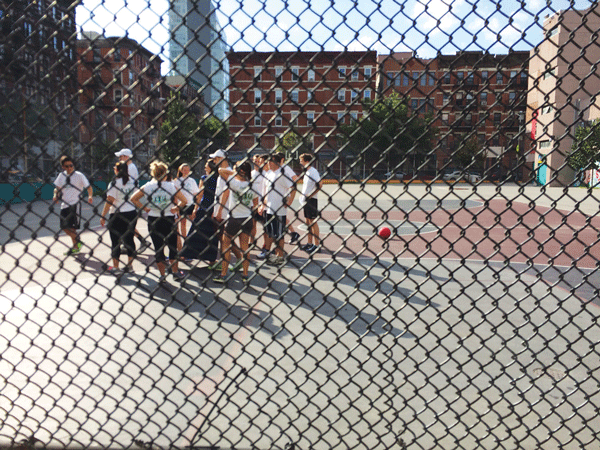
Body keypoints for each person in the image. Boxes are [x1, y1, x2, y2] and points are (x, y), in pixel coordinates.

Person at [130, 161, 187, 282]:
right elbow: (184, 201)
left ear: (153, 174)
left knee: (158, 248)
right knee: (172, 246)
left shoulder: (147, 186)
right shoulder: (171, 186)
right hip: (168, 218)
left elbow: (133, 198)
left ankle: (162, 275)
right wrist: (176, 208)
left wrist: (144, 208)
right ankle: (175, 272)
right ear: (166, 174)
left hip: (153, 219)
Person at [213, 160, 257, 283]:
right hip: (247, 218)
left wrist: (236, 171)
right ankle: (245, 275)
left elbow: (220, 170)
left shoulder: (233, 182)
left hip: (234, 218)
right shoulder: (252, 185)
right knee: (244, 247)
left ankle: (223, 274)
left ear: (240, 171)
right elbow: (255, 204)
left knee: (226, 244)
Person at [100, 161, 137, 274]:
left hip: (117, 214)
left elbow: (110, 200)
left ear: (116, 170)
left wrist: (103, 215)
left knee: (115, 241)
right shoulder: (132, 182)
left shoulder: (114, 183)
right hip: (131, 213)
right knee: (130, 240)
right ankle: (130, 266)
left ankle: (116, 267)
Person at [53, 155, 94, 255]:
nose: (69, 168)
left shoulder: (79, 175)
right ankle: (77, 243)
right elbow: (57, 188)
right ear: (63, 167)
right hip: (64, 205)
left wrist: (90, 196)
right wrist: (55, 195)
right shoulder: (61, 176)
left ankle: (75, 246)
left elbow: (89, 187)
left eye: (71, 165)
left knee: (72, 228)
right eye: (67, 166)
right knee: (64, 227)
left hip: (75, 204)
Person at [180, 160, 219, 263]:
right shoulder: (219, 178)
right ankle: (211, 259)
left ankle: (185, 254)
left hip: (204, 206)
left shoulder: (204, 178)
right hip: (214, 207)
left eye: (206, 166)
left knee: (195, 231)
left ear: (210, 167)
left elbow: (200, 195)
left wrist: (195, 209)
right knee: (211, 233)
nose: (205, 168)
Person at [260, 153, 295, 266]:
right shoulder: (270, 174)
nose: (268, 164)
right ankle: (274, 255)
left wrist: (289, 201)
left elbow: (293, 187)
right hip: (269, 209)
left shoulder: (282, 174)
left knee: (279, 234)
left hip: (279, 210)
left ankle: (280, 257)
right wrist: (264, 204)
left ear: (277, 162)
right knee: (272, 234)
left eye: (271, 162)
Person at [114, 148, 151, 252]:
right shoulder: (130, 166)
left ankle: (138, 241)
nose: (119, 159)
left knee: (124, 223)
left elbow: (125, 182)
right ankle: (131, 242)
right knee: (126, 224)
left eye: (121, 157)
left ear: (126, 157)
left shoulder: (130, 167)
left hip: (129, 198)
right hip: (128, 197)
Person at [174, 163, 200, 256]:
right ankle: (185, 243)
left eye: (187, 169)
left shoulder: (192, 180)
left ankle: (193, 241)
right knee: (183, 224)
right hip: (182, 205)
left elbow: (196, 193)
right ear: (180, 170)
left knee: (194, 223)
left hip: (191, 204)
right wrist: (177, 206)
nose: (186, 171)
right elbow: (175, 195)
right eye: (184, 169)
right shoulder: (176, 181)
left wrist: (196, 205)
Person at [298, 153, 322, 253]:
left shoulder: (313, 171)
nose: (300, 162)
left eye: (301, 160)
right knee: (308, 222)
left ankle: (317, 245)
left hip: (311, 200)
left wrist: (310, 195)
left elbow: (320, 184)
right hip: (305, 201)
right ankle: (310, 243)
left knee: (313, 222)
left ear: (307, 161)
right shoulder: (307, 172)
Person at [277, 152, 300, 244]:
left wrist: (288, 191)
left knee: (281, 217)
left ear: (281, 159)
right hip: (277, 196)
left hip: (284, 196)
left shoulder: (286, 168)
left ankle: (290, 233)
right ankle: (293, 233)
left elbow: (295, 178)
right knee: (281, 217)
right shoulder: (277, 169)